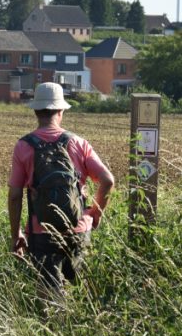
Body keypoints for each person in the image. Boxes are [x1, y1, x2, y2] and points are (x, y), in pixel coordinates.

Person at [8, 82, 114, 298]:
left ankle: (53, 329)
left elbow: (15, 195)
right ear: (61, 111)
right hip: (78, 229)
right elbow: (107, 180)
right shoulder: (78, 143)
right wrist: (95, 214)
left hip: (41, 234)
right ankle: (78, 330)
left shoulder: (24, 146)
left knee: (50, 297)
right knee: (79, 294)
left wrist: (16, 234)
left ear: (36, 111)